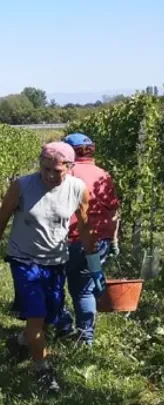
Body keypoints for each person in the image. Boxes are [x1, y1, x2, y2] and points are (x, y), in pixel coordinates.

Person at [0, 143, 103, 391]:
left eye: (57, 171)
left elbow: (86, 228)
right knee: (36, 316)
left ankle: (20, 342)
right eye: (45, 169)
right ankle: (43, 371)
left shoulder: (77, 189)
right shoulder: (22, 186)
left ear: (69, 167)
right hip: (25, 261)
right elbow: (1, 218)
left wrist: (94, 265)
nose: (49, 175)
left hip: (56, 261)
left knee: (48, 317)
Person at [55, 133, 119, 345]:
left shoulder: (66, 173)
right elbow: (113, 211)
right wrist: (114, 240)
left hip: (71, 239)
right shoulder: (103, 174)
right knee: (85, 290)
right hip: (100, 239)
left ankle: (63, 327)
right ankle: (86, 337)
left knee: (56, 284)